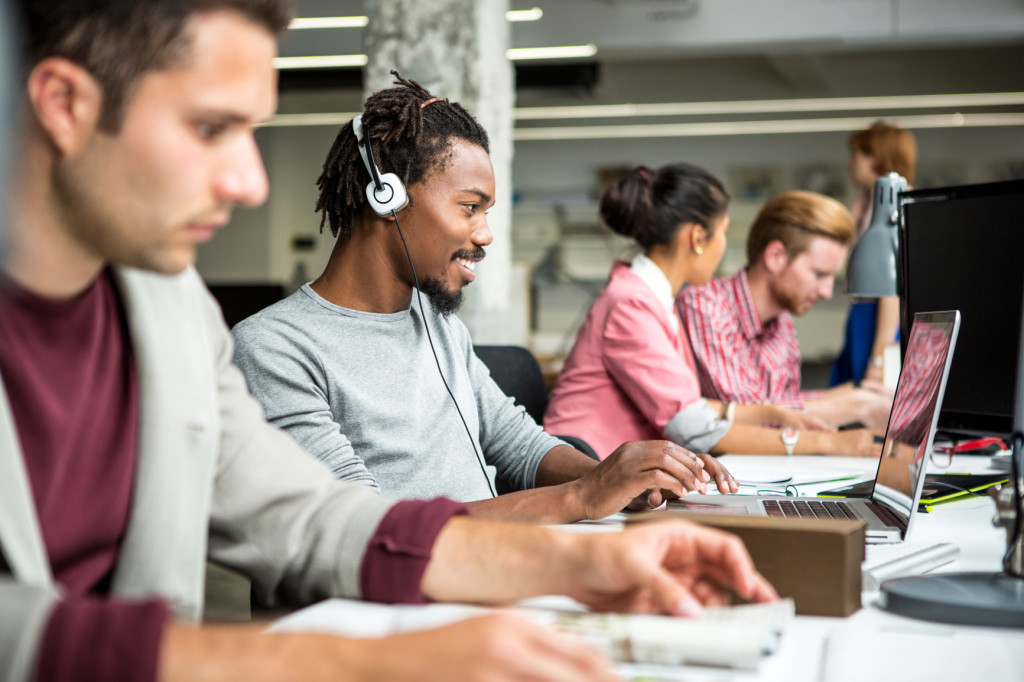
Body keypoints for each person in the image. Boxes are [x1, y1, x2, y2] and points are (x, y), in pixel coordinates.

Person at [0, 3, 778, 682]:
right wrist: (367, 662)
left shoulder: (168, 312)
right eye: (210, 127)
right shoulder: (267, 343)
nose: (251, 182)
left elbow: (313, 519)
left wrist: (592, 557)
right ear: (64, 104)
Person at [232, 76, 739, 523]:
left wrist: (619, 479)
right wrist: (581, 496)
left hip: (489, 573)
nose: (486, 234)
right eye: (470, 208)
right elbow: (367, 529)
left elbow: (516, 443)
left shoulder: (438, 324)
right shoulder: (274, 347)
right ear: (388, 197)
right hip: (392, 611)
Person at [544, 165, 878, 458]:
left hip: (620, 477)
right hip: (587, 477)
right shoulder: (631, 304)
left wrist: (768, 412)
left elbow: (690, 406)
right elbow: (694, 429)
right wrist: (828, 443)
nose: (724, 245)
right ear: (698, 238)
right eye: (724, 232)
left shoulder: (653, 300)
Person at [678, 190, 894, 434]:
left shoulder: (782, 321)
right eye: (820, 274)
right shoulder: (705, 306)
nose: (825, 292)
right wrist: (854, 406)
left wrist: (853, 393)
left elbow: (781, 404)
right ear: (776, 257)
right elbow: (747, 416)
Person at [831, 120, 918, 386]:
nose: (850, 163)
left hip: (879, 318)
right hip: (863, 313)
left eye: (856, 155)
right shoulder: (867, 204)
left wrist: (879, 356)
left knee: (872, 400)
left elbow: (889, 289)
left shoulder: (895, 209)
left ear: (875, 158)